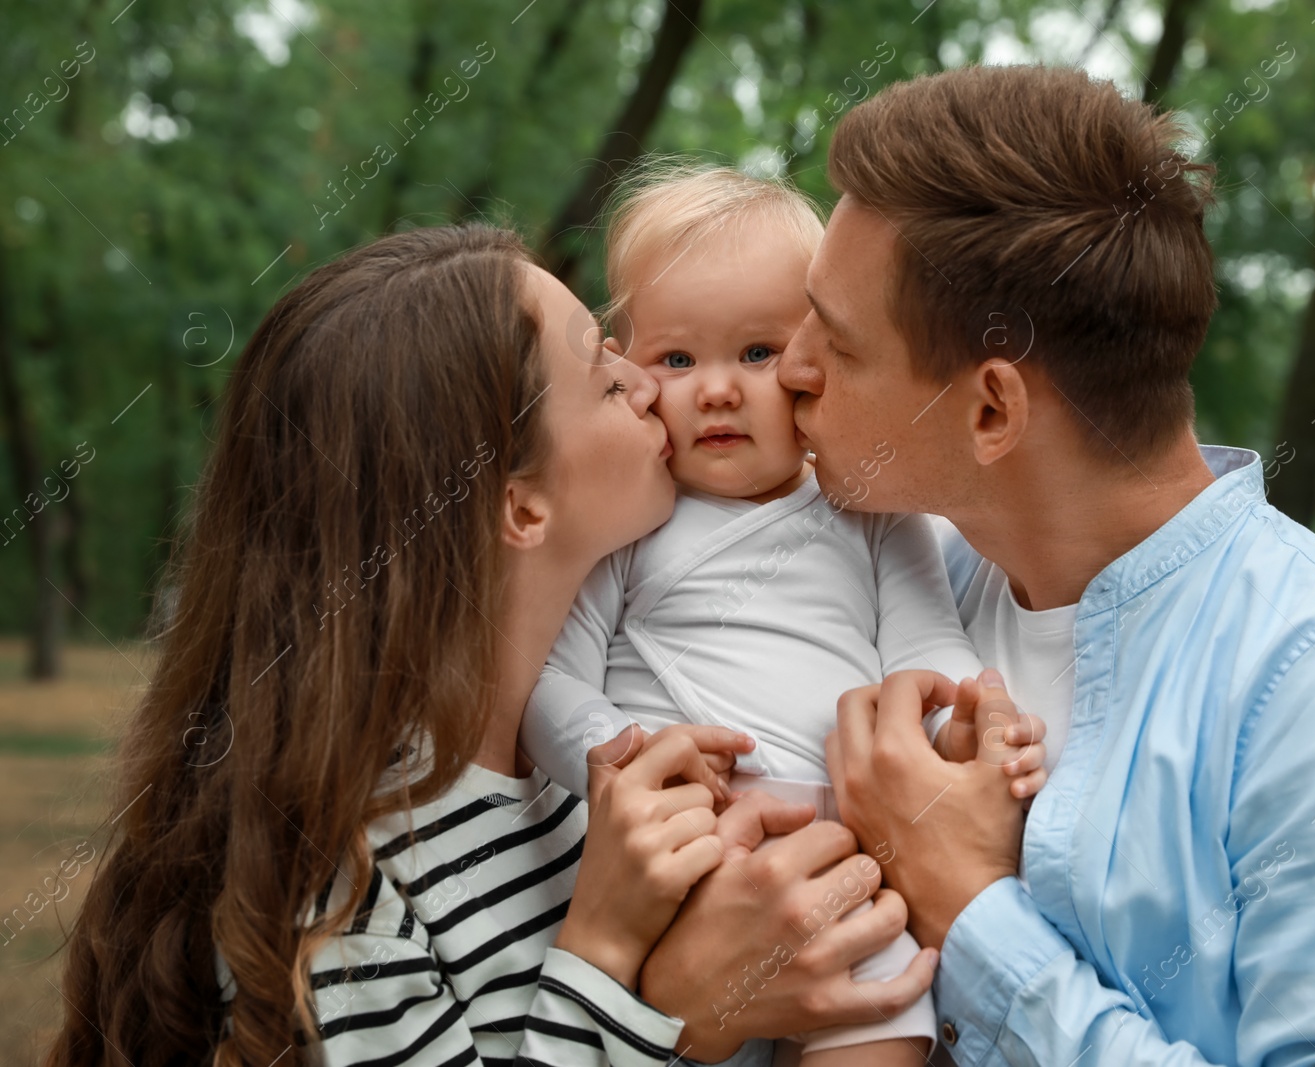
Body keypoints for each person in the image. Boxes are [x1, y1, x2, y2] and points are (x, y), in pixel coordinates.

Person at [769, 65, 1315, 1066]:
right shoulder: (881, 589)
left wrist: (972, 910)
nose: (788, 365)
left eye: (834, 340)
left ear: (992, 409)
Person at [46, 225, 935, 1067]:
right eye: (601, 367)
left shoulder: (591, 762)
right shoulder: (344, 891)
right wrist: (636, 979)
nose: (647, 381)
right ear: (520, 505)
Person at [521, 165, 1047, 1067]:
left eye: (757, 354)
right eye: (677, 360)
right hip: (686, 857)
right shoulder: (634, 520)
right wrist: (621, 758)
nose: (717, 390)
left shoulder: (870, 509)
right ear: (629, 367)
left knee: (882, 994)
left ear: (814, 364)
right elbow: (551, 684)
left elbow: (925, 641)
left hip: (846, 854)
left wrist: (963, 714)